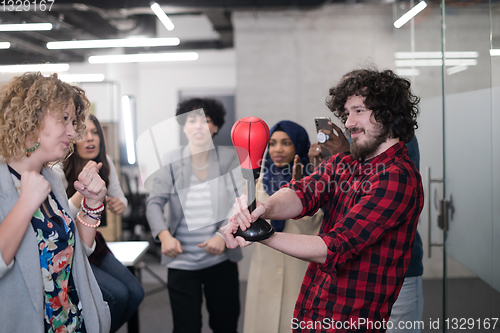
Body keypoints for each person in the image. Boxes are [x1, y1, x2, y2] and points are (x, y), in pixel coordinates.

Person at [222, 68, 424, 332]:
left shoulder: (397, 177)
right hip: (316, 314)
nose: (348, 122)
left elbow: (336, 246)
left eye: (359, 111)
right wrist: (264, 208)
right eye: (347, 113)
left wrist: (262, 234)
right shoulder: (345, 162)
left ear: (388, 114)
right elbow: (302, 192)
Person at [0, 72, 111, 332]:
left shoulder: (50, 177)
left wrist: (92, 205)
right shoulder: (5, 183)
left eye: (73, 121)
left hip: (71, 322)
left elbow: (74, 254)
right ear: (31, 119)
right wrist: (26, 203)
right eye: (64, 119)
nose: (73, 132)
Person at [309, 123, 424, 333]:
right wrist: (324, 170)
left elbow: (386, 195)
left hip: (394, 270)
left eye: (359, 108)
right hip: (350, 271)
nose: (350, 118)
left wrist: (346, 156)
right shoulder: (348, 137)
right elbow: (335, 211)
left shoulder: (397, 136)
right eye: (348, 110)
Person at [146, 98, 242, 333]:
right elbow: (154, 203)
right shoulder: (170, 160)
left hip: (220, 259)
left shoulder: (230, 158)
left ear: (216, 126)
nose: (198, 126)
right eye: (192, 120)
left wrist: (223, 235)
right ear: (184, 126)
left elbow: (240, 201)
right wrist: (164, 235)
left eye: (206, 120)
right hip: (181, 261)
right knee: (186, 326)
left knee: (225, 323)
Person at [53, 114, 145, 333]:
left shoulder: (106, 162)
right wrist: (82, 192)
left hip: (94, 241)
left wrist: (119, 205)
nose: (91, 138)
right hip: (69, 247)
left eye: (95, 133)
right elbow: (60, 217)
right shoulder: (58, 167)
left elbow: (121, 199)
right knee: (118, 296)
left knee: (136, 292)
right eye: (84, 133)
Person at [244, 120, 323, 333]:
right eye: (273, 143)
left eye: (286, 143)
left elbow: (316, 224)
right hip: (265, 269)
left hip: (301, 270)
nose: (277, 149)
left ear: (299, 146)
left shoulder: (317, 180)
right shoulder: (256, 179)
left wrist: (301, 191)